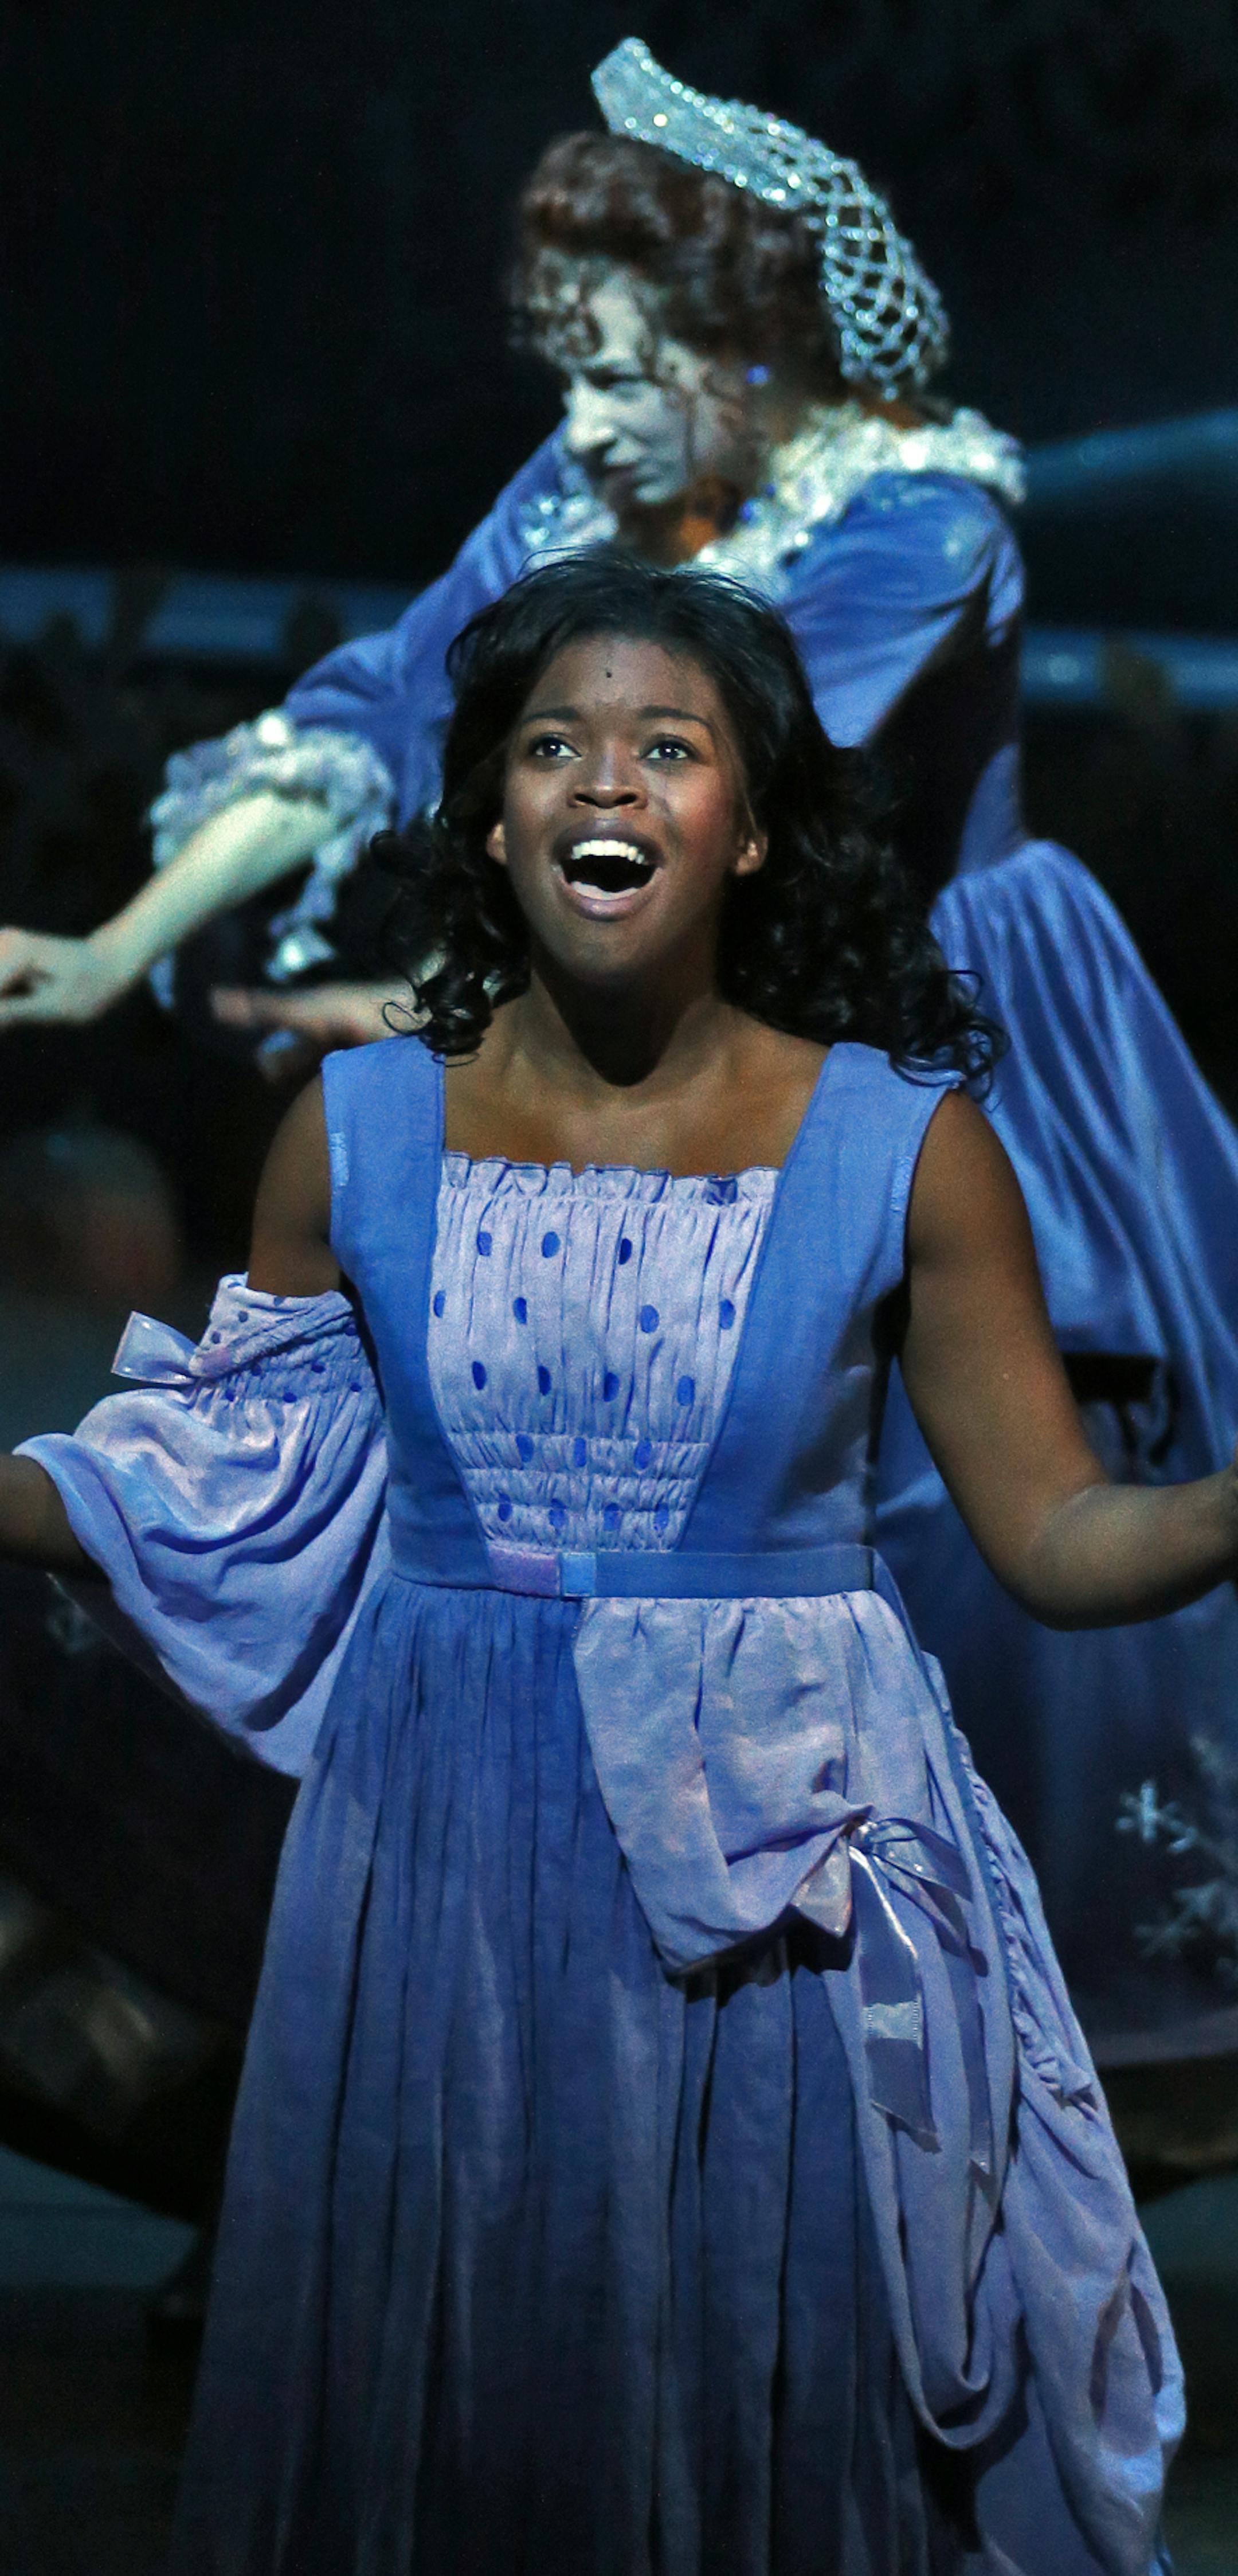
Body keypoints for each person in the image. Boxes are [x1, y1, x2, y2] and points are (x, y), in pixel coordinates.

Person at [3, 38, 1238, 2057]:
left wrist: (433, 1009)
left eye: (614, 363)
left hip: (899, 1018)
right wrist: (117, 940)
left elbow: (720, 822)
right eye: (566, 367)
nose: (575, 417)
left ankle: (900, 2057)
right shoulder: (607, 470)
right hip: (623, 1039)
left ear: (742, 347)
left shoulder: (921, 519)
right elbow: (396, 705)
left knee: (917, 1520)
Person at [0, 550, 1218, 2571]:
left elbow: (1060, 1533)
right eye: (557, 747)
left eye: (672, 748)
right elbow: (204, 1477)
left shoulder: (904, 1141)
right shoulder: (358, 1130)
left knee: (777, 2388)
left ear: (749, 826)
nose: (609, 786)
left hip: (788, 1877)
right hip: (439, 1861)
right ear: (489, 816)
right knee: (471, 2391)